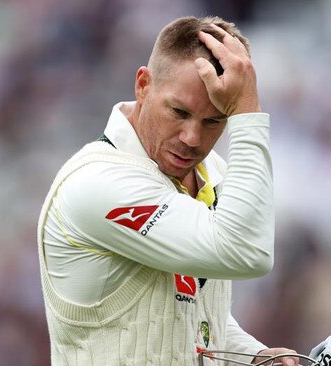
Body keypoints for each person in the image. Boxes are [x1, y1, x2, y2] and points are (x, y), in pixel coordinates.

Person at [37, 16, 297, 365]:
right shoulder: (98, 183)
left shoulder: (211, 172)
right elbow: (248, 252)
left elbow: (190, 310)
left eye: (214, 120)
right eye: (179, 111)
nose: (192, 138)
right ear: (143, 85)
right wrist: (247, 111)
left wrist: (253, 356)